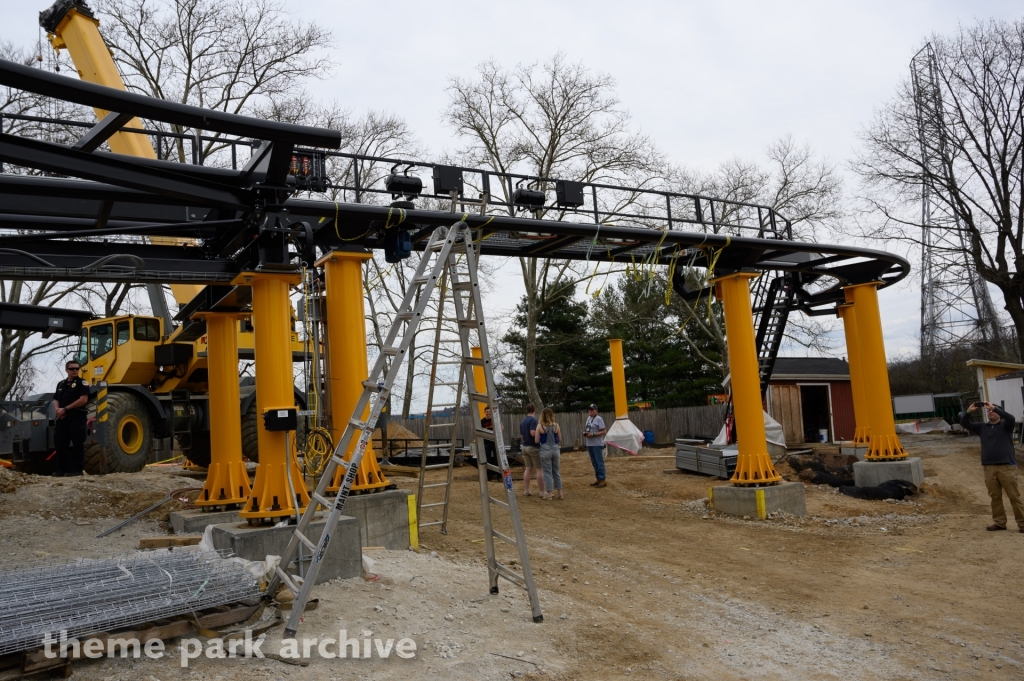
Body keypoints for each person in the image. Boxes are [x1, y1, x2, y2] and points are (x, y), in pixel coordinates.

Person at [961, 400, 1024, 531]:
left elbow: (1011, 417)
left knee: (1014, 496)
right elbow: (964, 423)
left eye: (993, 411)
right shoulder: (982, 427)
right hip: (989, 468)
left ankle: (1022, 523)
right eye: (988, 411)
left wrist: (994, 407)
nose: (990, 412)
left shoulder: (1006, 426)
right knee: (995, 497)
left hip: (1007, 467)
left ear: (999, 413)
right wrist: (969, 411)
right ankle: (1000, 522)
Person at [53, 360, 90, 477]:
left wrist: (66, 409)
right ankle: (62, 469)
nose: (75, 371)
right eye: (72, 369)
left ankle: (77, 470)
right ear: (66, 370)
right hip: (62, 418)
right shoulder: (61, 384)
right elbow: (56, 399)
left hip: (76, 417)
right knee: (60, 443)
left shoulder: (82, 383)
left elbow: (83, 399)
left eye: (77, 369)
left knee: (77, 444)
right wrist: (57, 410)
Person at [536, 407, 563, 500]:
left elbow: (536, 440)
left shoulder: (540, 426)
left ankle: (549, 493)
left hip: (545, 450)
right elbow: (560, 439)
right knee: (556, 472)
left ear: (542, 415)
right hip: (555, 449)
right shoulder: (556, 425)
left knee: (547, 472)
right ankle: (560, 493)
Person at [519, 404, 545, 496]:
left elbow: (521, 436)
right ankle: (542, 491)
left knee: (528, 469)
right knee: (539, 470)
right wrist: (541, 434)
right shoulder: (533, 420)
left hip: (524, 447)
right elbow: (533, 433)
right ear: (535, 410)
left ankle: (526, 490)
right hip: (533, 447)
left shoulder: (523, 421)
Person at [584, 404, 607, 487]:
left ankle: (602, 479)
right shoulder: (589, 419)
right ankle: (598, 478)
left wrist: (593, 435)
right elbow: (588, 429)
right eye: (589, 409)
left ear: (596, 410)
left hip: (596, 444)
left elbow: (603, 431)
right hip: (589, 443)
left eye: (592, 409)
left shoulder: (599, 419)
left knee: (599, 462)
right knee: (594, 462)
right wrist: (585, 433)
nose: (590, 411)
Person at [480, 407, 501, 482]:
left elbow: (502, 428)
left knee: (497, 458)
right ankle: (489, 476)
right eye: (487, 412)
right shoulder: (482, 421)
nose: (488, 413)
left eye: (489, 411)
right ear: (484, 412)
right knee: (487, 459)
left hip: (494, 442)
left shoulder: (495, 420)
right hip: (486, 442)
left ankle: (499, 475)